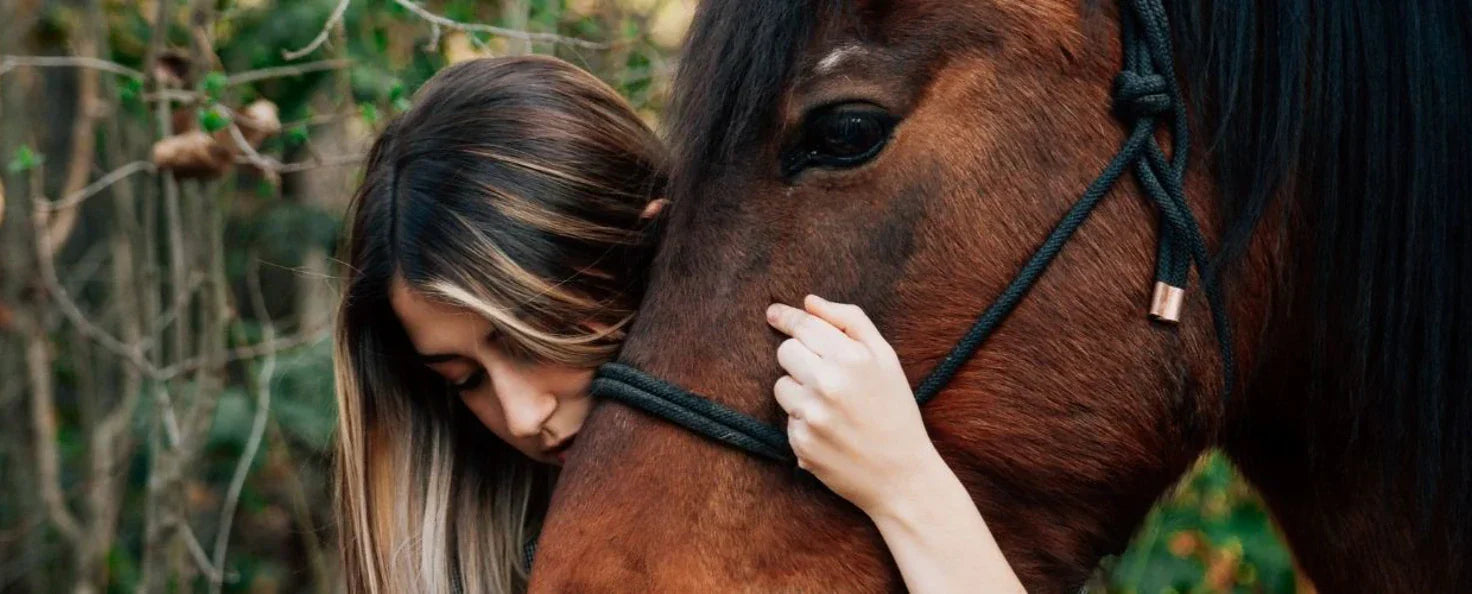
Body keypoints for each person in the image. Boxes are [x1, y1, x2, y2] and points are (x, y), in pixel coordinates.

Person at [333, 55, 1023, 593]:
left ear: (653, 247)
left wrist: (905, 484)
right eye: (465, 381)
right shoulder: (492, 550)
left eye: (528, 340)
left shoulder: (852, 437)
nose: (521, 415)